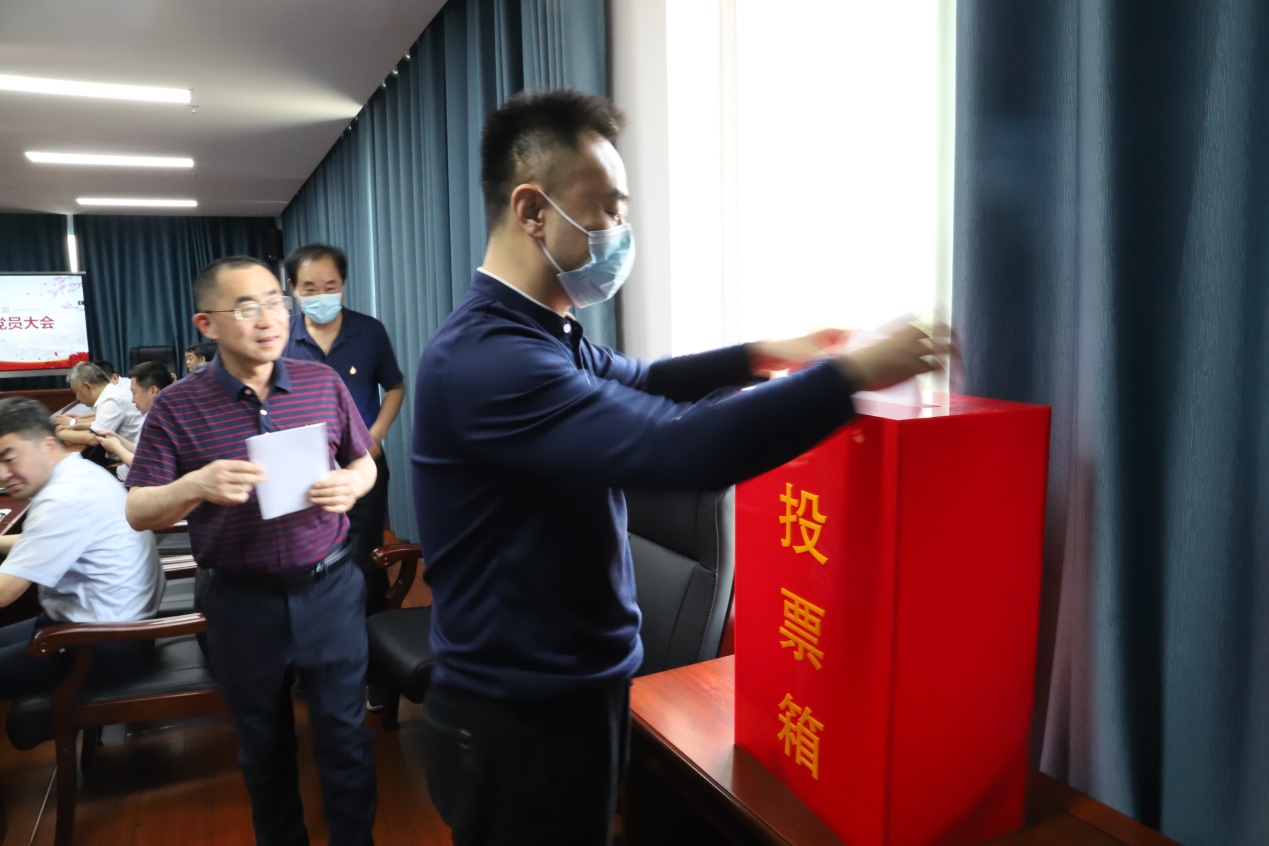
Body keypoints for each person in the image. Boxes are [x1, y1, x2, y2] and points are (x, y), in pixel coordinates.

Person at [411, 89, 945, 846]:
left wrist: (766, 353)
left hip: (569, 692)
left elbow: (649, 381)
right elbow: (683, 447)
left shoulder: (541, 334)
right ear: (532, 210)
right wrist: (849, 375)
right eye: (607, 207)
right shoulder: (489, 360)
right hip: (517, 720)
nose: (619, 230)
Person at [124, 256, 378, 846]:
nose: (268, 319)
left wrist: (352, 483)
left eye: (275, 303)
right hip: (240, 601)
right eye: (246, 307)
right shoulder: (175, 406)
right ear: (206, 323)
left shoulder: (320, 382)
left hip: (330, 588)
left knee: (346, 739)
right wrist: (195, 485)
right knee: (264, 748)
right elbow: (138, 510)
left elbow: (364, 460)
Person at [0, 397, 162, 701]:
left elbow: (4, 593)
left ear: (48, 446)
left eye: (9, 459)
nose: (2, 474)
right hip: (116, 630)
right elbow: (41, 542)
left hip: (98, 648)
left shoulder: (61, 500)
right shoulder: (81, 472)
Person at [282, 244, 405, 629]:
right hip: (302, 470)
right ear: (293, 288)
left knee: (364, 557)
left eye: (330, 286)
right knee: (308, 558)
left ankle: (372, 640)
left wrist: (375, 435)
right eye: (310, 288)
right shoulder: (280, 337)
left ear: (343, 285)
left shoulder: (368, 331)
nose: (321, 295)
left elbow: (395, 387)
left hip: (362, 464)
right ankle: (319, 637)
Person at [94, 360, 175, 469]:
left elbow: (144, 465)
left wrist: (116, 447)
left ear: (153, 391)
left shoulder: (160, 422)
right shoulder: (153, 414)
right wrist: (117, 438)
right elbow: (139, 451)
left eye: (134, 393)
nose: (132, 400)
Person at [56, 362, 143, 450]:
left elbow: (94, 438)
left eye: (76, 392)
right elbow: (98, 424)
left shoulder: (111, 400)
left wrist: (57, 433)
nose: (77, 398)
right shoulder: (112, 392)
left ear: (87, 386)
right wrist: (71, 427)